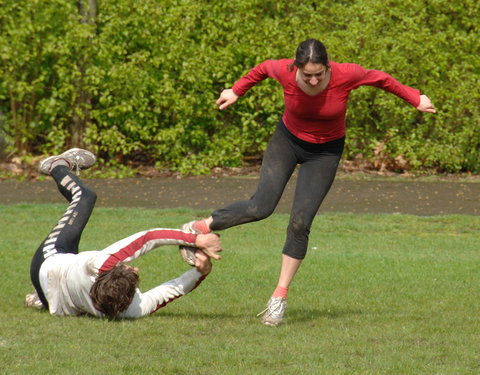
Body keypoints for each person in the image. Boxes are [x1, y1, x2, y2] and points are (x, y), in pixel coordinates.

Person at [183, 38, 436, 326]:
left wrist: (415, 98)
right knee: (261, 207)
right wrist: (236, 90)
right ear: (297, 68)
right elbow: (262, 69)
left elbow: (381, 79)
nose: (314, 80)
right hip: (287, 142)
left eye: (319, 74)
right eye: (307, 75)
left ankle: (278, 298)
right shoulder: (284, 70)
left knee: (300, 222)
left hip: (325, 153)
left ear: (328, 67)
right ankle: (199, 227)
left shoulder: (346, 74)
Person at [26, 148, 222, 319]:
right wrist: (200, 272)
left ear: (105, 272)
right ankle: (41, 298)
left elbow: (149, 238)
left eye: (130, 271)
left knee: (85, 197)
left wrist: (196, 239)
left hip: (47, 263)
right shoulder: (130, 311)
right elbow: (169, 290)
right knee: (71, 276)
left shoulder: (100, 265)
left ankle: (56, 166)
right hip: (53, 294)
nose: (135, 270)